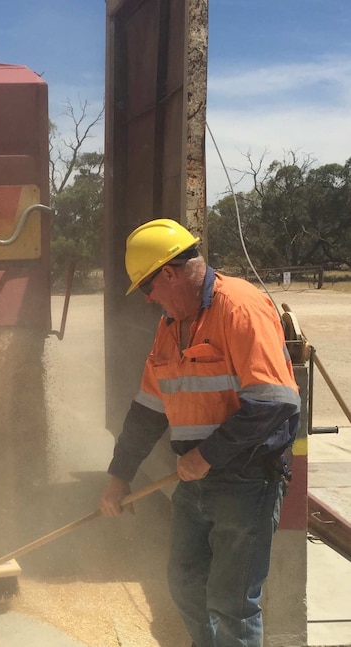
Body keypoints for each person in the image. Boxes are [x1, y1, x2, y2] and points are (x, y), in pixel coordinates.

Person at [99, 218, 300, 647]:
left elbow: (275, 402)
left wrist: (207, 456)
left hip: (246, 479)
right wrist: (119, 476)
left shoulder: (240, 307)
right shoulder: (171, 326)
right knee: (185, 582)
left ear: (168, 274)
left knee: (233, 605)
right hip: (195, 482)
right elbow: (147, 411)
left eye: (149, 290)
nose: (150, 300)